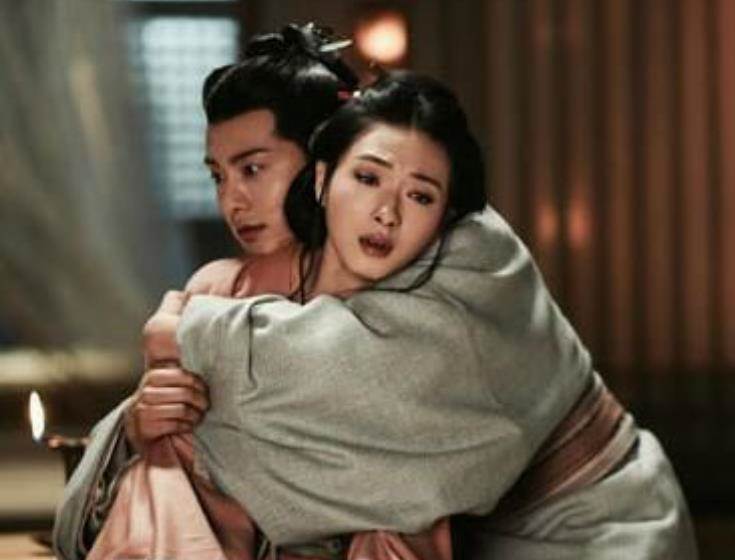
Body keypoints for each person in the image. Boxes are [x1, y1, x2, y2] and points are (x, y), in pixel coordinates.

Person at [55, 29, 698, 560]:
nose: (234, 199)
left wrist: (186, 331)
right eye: (219, 175)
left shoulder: (464, 250)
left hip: (594, 528)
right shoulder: (226, 284)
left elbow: (364, 403)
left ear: (318, 159)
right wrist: (139, 424)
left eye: (253, 168)